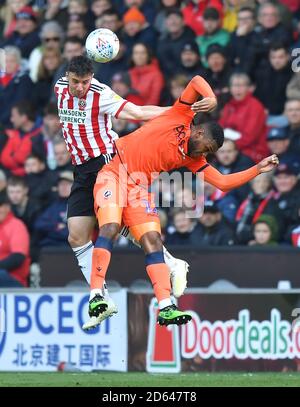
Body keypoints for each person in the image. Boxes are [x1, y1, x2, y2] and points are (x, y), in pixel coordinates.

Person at [84, 74, 279, 329]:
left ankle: (165, 306)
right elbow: (196, 80)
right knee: (109, 227)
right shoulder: (181, 115)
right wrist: (211, 97)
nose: (204, 153)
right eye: (206, 146)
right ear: (198, 131)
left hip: (138, 189)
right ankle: (96, 295)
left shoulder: (193, 159)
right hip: (114, 172)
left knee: (153, 241)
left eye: (209, 152)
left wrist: (257, 169)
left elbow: (222, 182)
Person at [54, 55, 192, 323]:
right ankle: (101, 298)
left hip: (108, 163)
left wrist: (180, 112)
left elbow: (138, 113)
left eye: (85, 82)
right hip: (82, 170)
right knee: (76, 236)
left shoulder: (101, 93)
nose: (80, 87)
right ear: (67, 77)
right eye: (76, 82)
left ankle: (169, 265)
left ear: (92, 79)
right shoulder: (59, 87)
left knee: (119, 225)